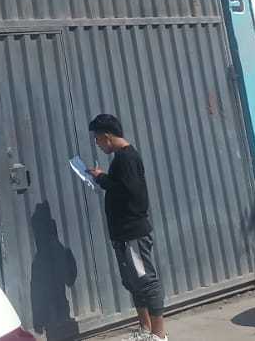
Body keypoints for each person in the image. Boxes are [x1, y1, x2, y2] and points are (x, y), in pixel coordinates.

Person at [89, 113, 166, 341]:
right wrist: (103, 179)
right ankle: (145, 329)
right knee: (133, 282)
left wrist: (101, 178)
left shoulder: (127, 158)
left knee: (146, 281)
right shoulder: (120, 159)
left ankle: (159, 334)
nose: (97, 144)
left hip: (133, 233)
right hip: (122, 233)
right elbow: (121, 187)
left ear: (107, 136)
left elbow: (133, 194)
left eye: (97, 139)